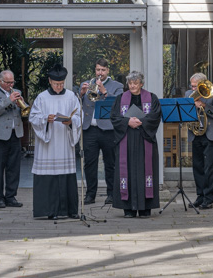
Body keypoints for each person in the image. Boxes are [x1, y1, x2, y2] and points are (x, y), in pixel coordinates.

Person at [29, 65, 82, 219]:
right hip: (48, 144)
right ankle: (46, 211)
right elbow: (33, 117)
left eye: (61, 84)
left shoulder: (72, 96)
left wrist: (71, 121)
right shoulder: (42, 97)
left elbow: (79, 116)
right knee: (48, 174)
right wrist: (46, 119)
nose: (59, 87)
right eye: (56, 84)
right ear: (50, 81)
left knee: (65, 174)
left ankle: (68, 210)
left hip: (64, 142)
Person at [110, 71, 162, 218]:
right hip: (126, 138)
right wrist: (128, 122)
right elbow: (114, 117)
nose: (132, 86)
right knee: (127, 171)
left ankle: (145, 208)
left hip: (144, 138)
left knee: (145, 170)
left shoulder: (151, 98)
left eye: (135, 83)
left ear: (141, 84)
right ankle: (129, 209)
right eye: (130, 83)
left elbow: (155, 115)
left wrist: (141, 122)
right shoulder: (121, 98)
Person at [78, 58, 124, 205]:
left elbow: (119, 104)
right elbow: (79, 105)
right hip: (89, 129)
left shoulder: (117, 86)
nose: (100, 73)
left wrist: (104, 91)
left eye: (103, 70)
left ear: (108, 70)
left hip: (108, 129)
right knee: (89, 163)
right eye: (98, 70)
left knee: (110, 163)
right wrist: (81, 93)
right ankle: (90, 194)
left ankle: (111, 193)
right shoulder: (87, 83)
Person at [185, 71, 213, 209]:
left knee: (209, 168)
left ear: (202, 85)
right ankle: (200, 196)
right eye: (192, 86)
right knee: (197, 167)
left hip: (210, 135)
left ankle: (208, 199)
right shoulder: (187, 95)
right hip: (195, 134)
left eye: (195, 86)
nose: (193, 89)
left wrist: (204, 106)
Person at [0, 70, 25, 209]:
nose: (11, 84)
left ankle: (11, 196)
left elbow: (23, 111)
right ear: (1, 81)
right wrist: (8, 100)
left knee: (14, 168)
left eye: (12, 82)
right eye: (8, 82)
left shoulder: (17, 91)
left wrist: (21, 105)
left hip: (15, 134)